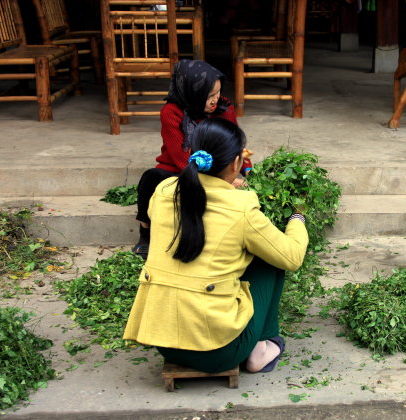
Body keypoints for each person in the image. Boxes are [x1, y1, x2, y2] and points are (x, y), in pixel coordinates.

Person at [123, 118, 308, 374]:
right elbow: (293, 257)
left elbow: (194, 207)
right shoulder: (241, 207)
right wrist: (298, 218)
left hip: (161, 338)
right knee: (271, 259)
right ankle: (260, 349)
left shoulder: (163, 191)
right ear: (236, 164)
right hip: (219, 351)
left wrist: (222, 184)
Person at [133, 59, 252, 259]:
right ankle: (145, 232)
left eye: (218, 93)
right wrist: (221, 182)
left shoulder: (223, 108)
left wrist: (246, 168)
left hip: (219, 167)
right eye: (209, 96)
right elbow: (181, 159)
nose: (215, 100)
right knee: (150, 179)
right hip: (181, 168)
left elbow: (234, 142)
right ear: (192, 93)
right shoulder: (171, 112)